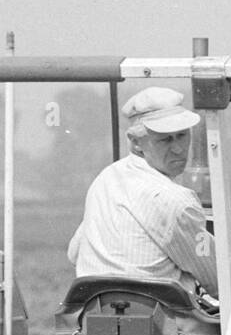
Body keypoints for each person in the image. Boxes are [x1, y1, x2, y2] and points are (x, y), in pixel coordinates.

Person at [67, 86, 220, 297]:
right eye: (165, 139)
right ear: (136, 143)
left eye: (182, 135)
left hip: (93, 312)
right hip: (162, 321)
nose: (178, 149)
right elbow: (218, 281)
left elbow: (74, 253)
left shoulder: (106, 178)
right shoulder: (175, 200)